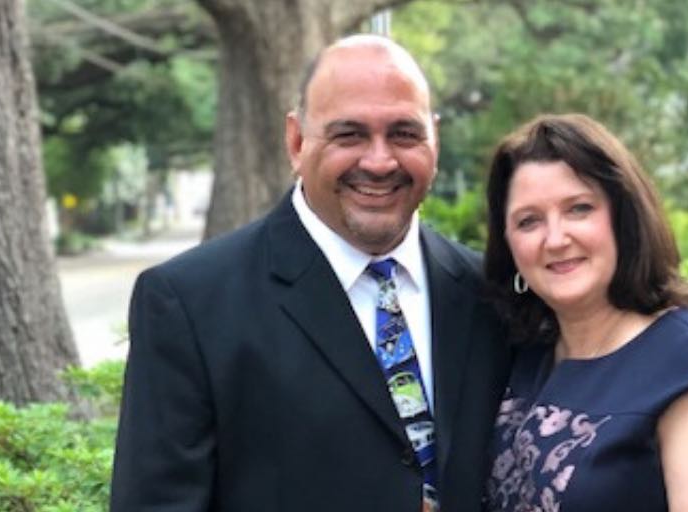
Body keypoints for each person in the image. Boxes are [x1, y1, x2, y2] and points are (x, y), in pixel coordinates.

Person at [110, 34, 509, 512]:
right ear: (297, 141)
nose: (379, 161)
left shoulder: (492, 294)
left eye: (404, 133)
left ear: (435, 140)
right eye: (349, 134)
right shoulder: (189, 303)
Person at [481, 114, 688, 511]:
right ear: (509, 243)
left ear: (625, 217)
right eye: (529, 221)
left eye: (579, 209)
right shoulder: (525, 355)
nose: (556, 238)